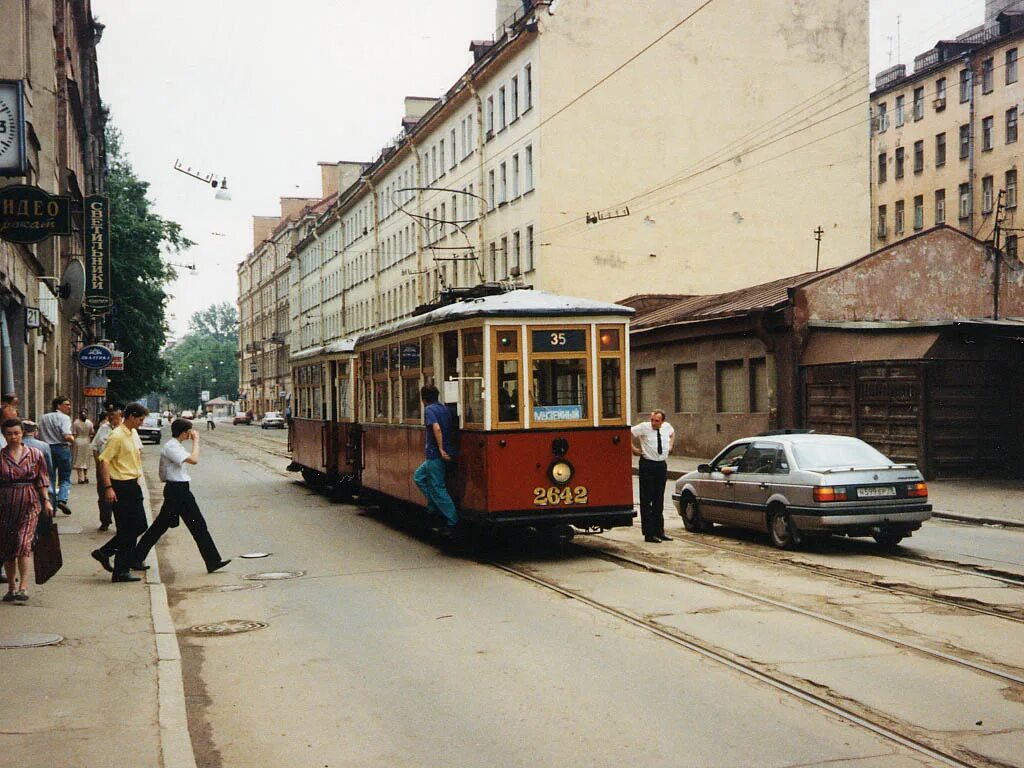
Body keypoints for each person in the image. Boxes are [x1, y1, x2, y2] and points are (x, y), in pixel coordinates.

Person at [134, 419, 230, 573]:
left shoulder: (176, 446)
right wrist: (196, 441)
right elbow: (194, 459)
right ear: (184, 432)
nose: (191, 434)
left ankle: (213, 561)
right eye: (189, 431)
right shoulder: (171, 447)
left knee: (165, 526)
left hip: (179, 490)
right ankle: (213, 561)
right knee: (195, 525)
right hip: (177, 491)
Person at [92, 402, 150, 583]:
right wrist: (108, 487)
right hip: (121, 486)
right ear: (131, 416)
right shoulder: (116, 436)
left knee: (139, 525)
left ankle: (107, 553)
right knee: (129, 528)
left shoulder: (131, 433)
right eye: (140, 419)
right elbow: (104, 461)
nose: (141, 423)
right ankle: (120, 569)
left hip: (132, 484)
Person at [0, 418, 53, 602]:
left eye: (16, 433)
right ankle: (11, 588)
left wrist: (46, 500)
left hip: (30, 501)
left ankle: (23, 586)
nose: (13, 437)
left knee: (23, 543)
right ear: (4, 436)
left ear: (23, 433)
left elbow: (42, 478)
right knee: (8, 546)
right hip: (5, 505)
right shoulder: (1, 456)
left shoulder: (35, 454)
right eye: (9, 434)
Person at [412, 384, 458, 534]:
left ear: (423, 398)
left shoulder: (429, 410)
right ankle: (433, 506)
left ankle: (452, 520)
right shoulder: (445, 409)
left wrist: (440, 448)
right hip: (444, 451)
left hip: (435, 454)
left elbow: (436, 428)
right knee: (419, 476)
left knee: (438, 487)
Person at [631, 409, 675, 543]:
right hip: (647, 465)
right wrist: (633, 449)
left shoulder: (667, 427)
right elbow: (626, 433)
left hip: (660, 465)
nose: (654, 423)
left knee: (658, 499)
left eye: (657, 421)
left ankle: (659, 531)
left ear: (662, 421)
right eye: (652, 420)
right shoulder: (644, 428)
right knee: (646, 500)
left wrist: (670, 446)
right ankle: (649, 534)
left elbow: (673, 434)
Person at [37, 395, 75, 515]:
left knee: (50, 477)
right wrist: (73, 440)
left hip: (46, 448)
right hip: (62, 448)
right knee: (65, 477)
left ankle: (51, 506)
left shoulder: (43, 418)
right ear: (58, 405)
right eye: (66, 404)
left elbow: (38, 434)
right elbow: (66, 435)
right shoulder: (64, 418)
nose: (69, 407)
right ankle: (62, 499)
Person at [91, 407, 121, 531]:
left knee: (119, 496)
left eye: (115, 416)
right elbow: (95, 447)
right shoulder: (104, 428)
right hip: (104, 466)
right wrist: (98, 465)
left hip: (119, 468)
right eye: (111, 416)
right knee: (103, 494)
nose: (112, 419)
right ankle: (105, 520)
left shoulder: (125, 430)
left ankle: (120, 523)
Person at [22, 420, 55, 511]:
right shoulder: (44, 446)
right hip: (39, 482)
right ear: (35, 431)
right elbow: (49, 466)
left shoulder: (17, 444)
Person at [73, 410, 95, 483]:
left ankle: (80, 478)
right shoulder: (89, 423)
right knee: (86, 459)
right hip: (86, 441)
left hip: (78, 441)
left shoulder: (76, 423)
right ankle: (85, 476)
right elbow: (92, 433)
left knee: (79, 459)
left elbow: (74, 433)